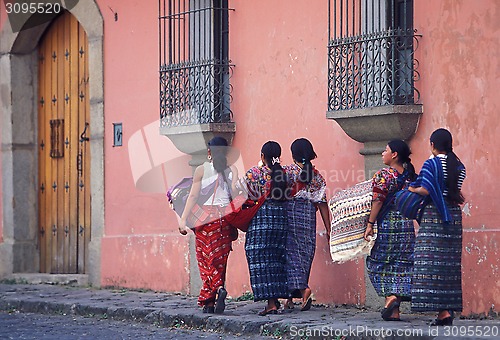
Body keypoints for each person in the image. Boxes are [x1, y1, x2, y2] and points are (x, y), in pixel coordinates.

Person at [408, 128, 466, 326]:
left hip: (434, 215)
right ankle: (446, 310)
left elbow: (426, 190)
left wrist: (412, 188)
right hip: (453, 216)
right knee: (449, 267)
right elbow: (454, 190)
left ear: (432, 144)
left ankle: (442, 312)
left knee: (429, 262)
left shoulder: (431, 164)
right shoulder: (459, 166)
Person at [178, 136, 239, 314]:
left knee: (205, 259)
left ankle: (217, 289)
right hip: (225, 220)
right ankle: (209, 301)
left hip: (206, 220)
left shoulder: (202, 170)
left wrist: (183, 218)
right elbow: (234, 195)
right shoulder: (232, 169)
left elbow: (193, 196)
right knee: (220, 261)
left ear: (209, 151)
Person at [363, 139, 417, 321]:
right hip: (406, 227)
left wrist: (370, 223)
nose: (382, 153)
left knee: (378, 262)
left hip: (387, 226)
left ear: (394, 155)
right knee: (401, 266)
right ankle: (394, 310)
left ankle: (390, 297)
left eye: (385, 150)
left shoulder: (383, 175)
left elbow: (378, 200)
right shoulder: (410, 176)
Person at [283, 138, 330, 312]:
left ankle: (303, 290)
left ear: (293, 154)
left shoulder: (287, 172)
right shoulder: (317, 176)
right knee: (304, 254)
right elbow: (323, 204)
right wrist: (328, 228)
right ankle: (289, 298)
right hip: (309, 216)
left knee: (289, 254)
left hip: (290, 215)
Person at [243, 141, 289, 316]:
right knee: (276, 258)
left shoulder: (254, 174)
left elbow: (241, 194)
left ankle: (271, 303)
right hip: (280, 219)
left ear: (262, 156)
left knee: (259, 258)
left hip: (260, 219)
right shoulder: (284, 174)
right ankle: (275, 299)